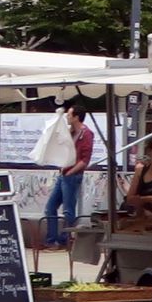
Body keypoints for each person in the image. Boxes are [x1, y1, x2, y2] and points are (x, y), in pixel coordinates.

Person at [41, 106, 93, 250]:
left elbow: (85, 159)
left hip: (72, 174)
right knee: (50, 207)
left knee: (68, 209)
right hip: (64, 173)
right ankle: (51, 240)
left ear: (76, 117)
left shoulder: (86, 134)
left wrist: (71, 171)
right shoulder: (71, 132)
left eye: (69, 115)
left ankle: (65, 240)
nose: (68, 118)